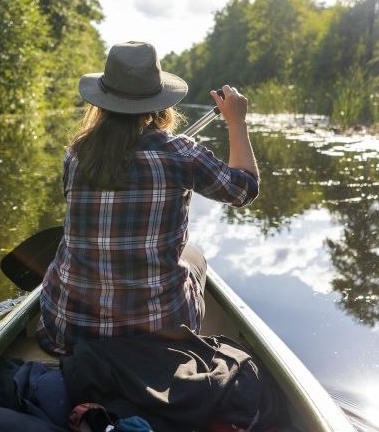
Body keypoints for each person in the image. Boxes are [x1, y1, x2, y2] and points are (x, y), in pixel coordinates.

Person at [36, 41, 260, 355]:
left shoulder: (76, 154)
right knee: (193, 256)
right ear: (158, 102)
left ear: (102, 101)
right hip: (159, 341)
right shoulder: (180, 153)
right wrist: (237, 122)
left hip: (67, 335)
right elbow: (244, 189)